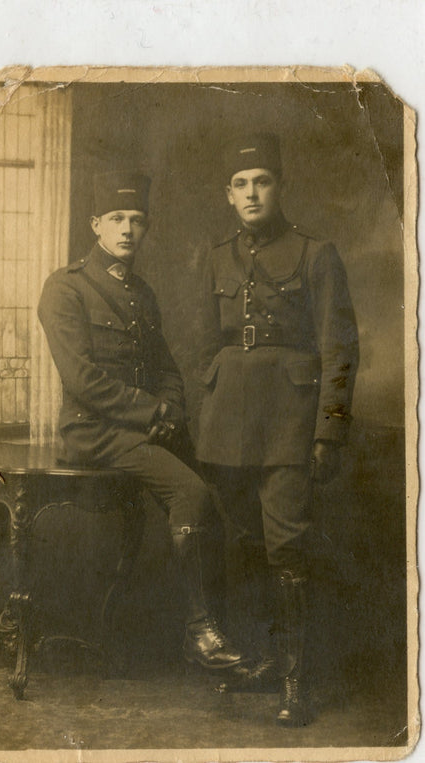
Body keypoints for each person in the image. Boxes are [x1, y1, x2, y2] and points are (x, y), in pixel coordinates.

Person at [38, 170, 245, 673]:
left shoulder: (143, 293)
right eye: (116, 219)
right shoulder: (65, 290)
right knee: (190, 495)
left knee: (220, 492)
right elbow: (83, 380)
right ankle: (199, 635)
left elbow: (168, 369)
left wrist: (170, 409)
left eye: (136, 220)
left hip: (141, 431)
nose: (127, 229)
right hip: (95, 433)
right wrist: (152, 413)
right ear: (95, 225)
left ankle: (221, 624)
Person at [196, 134, 359, 725]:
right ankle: (266, 657)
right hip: (225, 430)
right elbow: (201, 347)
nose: (251, 193)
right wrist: (204, 414)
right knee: (245, 547)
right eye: (240, 184)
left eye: (261, 181)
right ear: (227, 195)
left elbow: (340, 350)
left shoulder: (316, 254)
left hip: (289, 427)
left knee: (287, 549)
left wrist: (329, 432)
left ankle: (296, 681)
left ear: (280, 186)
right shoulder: (215, 256)